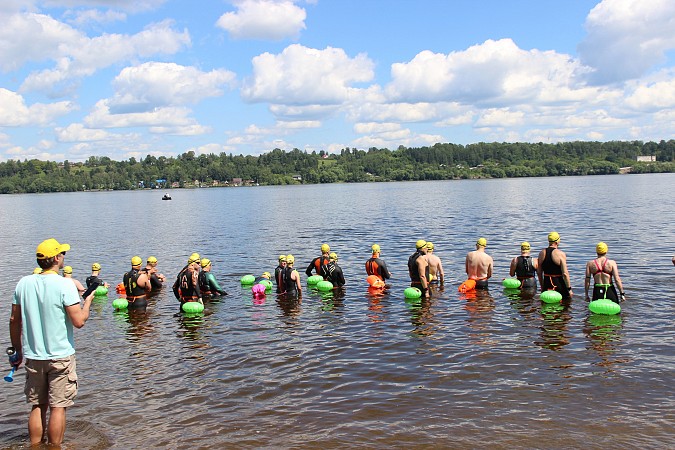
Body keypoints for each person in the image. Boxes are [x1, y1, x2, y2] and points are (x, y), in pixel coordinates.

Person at [9, 238, 95, 446]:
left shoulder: (23, 283)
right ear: (56, 258)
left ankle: (35, 446)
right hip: (60, 356)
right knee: (58, 406)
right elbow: (79, 321)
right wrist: (88, 302)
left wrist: (17, 351)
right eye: (63, 254)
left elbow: (14, 320)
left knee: (38, 405)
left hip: (33, 356)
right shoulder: (64, 284)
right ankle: (55, 447)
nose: (64, 257)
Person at [537, 231, 573, 299]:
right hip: (558, 285)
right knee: (564, 305)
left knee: (545, 305)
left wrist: (542, 286)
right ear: (557, 241)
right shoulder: (560, 254)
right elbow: (565, 274)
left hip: (546, 284)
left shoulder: (541, 253)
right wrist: (569, 289)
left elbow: (539, 272)